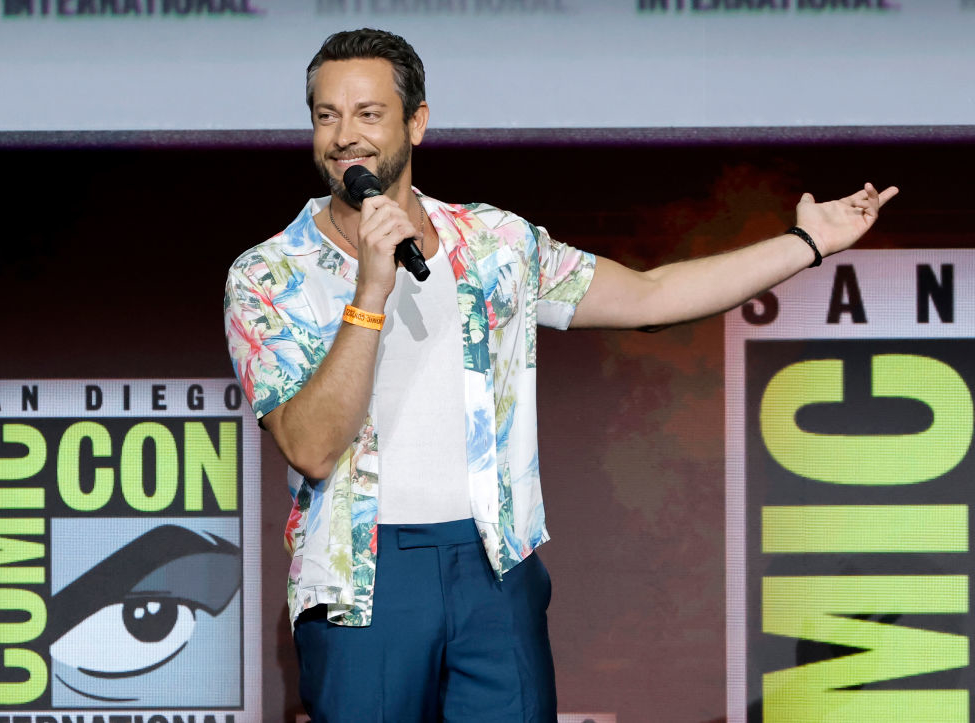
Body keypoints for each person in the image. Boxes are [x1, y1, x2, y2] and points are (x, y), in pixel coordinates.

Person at [223, 28, 897, 723]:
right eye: (326, 115)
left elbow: (651, 295)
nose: (345, 137)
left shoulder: (495, 243)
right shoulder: (268, 274)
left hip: (494, 567)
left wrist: (807, 243)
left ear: (416, 122)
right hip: (363, 581)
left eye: (368, 113)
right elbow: (309, 446)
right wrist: (370, 291)